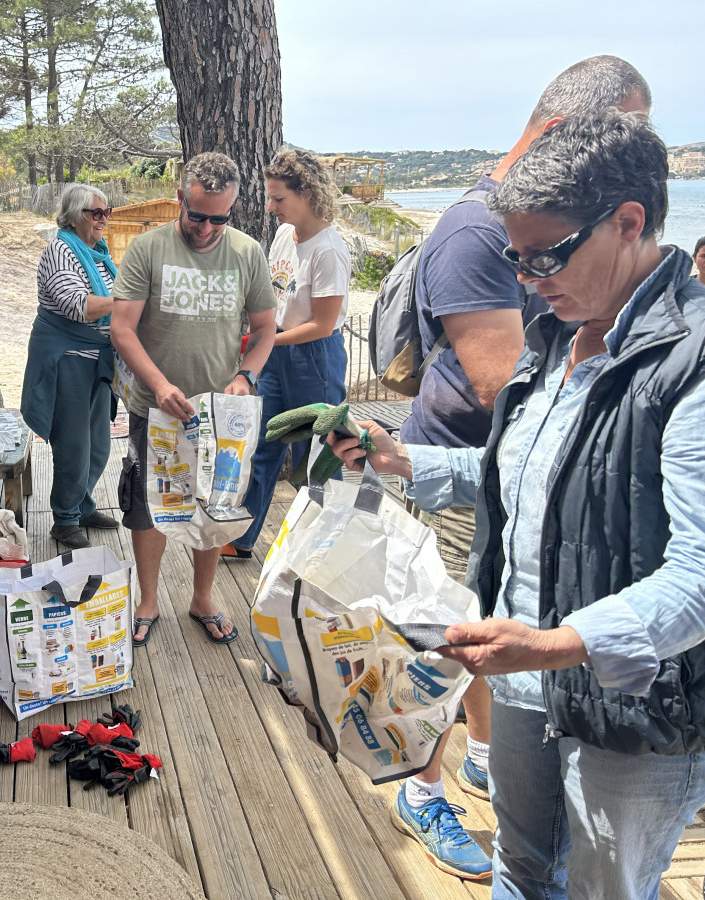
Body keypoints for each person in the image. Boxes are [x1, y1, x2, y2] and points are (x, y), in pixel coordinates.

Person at [332, 109, 705, 899]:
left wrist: (558, 644)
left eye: (545, 256)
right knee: (522, 864)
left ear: (630, 221)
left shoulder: (691, 365)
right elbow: (522, 475)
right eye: (516, 258)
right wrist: (402, 459)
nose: (527, 280)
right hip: (524, 677)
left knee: (606, 889)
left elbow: (698, 576)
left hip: (631, 709)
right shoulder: (555, 332)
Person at [383, 55, 652, 881]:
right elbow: (506, 389)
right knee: (442, 637)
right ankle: (421, 787)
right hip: (468, 468)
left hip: (499, 472)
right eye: (629, 131)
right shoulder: (473, 230)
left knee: (498, 639)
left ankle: (485, 760)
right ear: (567, 135)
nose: (635, 149)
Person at [110, 152, 276, 647]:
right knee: (147, 507)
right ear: (180, 199)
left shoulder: (247, 253)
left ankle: (203, 598)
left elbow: (266, 329)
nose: (206, 228)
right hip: (155, 409)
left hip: (220, 415)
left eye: (219, 219)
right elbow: (122, 330)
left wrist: (246, 375)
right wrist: (160, 385)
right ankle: (148, 599)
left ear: (233, 211)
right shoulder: (147, 249)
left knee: (215, 506)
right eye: (197, 214)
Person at [221, 149, 349, 561]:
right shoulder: (283, 236)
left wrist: (267, 341)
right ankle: (243, 538)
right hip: (276, 351)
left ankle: (327, 549)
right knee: (263, 447)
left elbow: (324, 325)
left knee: (318, 454)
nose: (270, 207)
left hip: (314, 357)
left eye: (279, 199)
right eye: (270, 197)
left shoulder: (328, 250)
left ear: (307, 193)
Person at [21, 184, 118, 550]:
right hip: (68, 360)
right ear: (76, 216)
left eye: (107, 212)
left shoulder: (97, 253)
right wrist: (127, 300)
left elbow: (106, 302)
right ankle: (64, 519)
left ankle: (82, 505)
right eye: (97, 213)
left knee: (98, 447)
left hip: (95, 360)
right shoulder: (60, 250)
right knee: (74, 446)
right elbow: (79, 305)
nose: (104, 219)